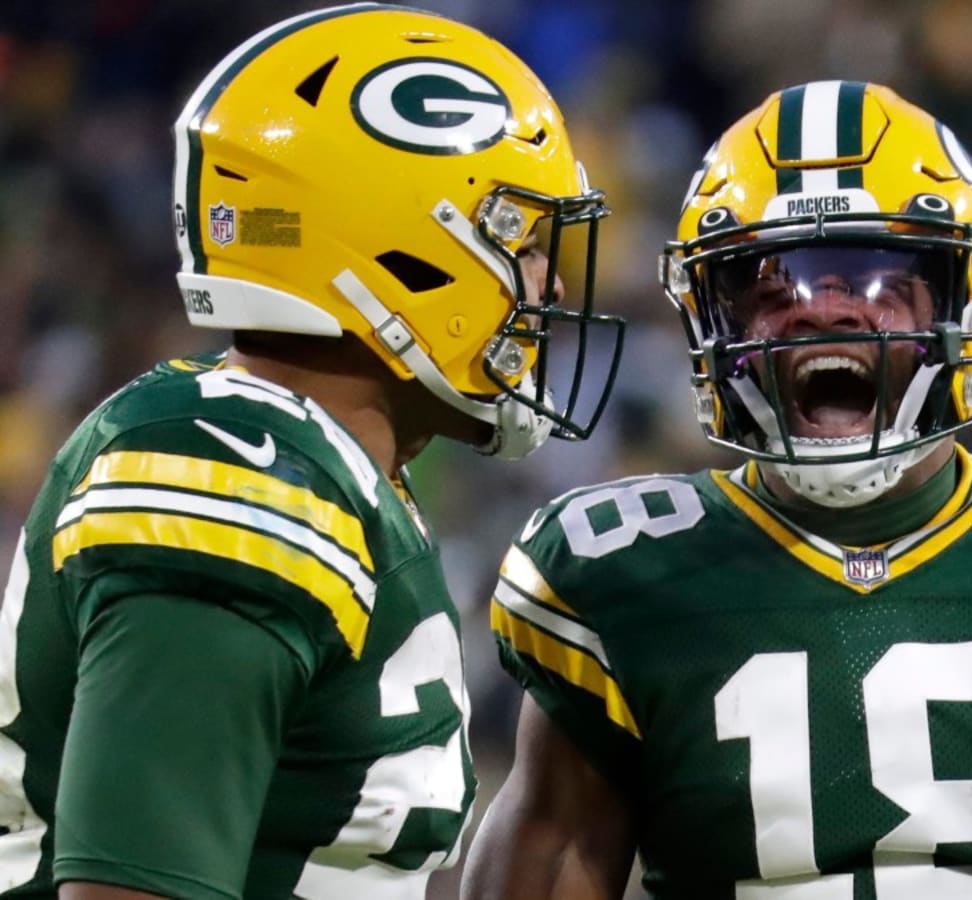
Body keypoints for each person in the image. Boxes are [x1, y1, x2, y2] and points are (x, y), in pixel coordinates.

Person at [462, 80, 972, 899]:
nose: (824, 314)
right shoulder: (617, 572)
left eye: (878, 283)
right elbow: (552, 859)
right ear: (713, 319)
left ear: (964, 299)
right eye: (772, 290)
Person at [0, 5, 624, 898]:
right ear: (404, 253)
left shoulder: (334, 473)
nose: (551, 284)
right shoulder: (239, 469)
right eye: (519, 242)